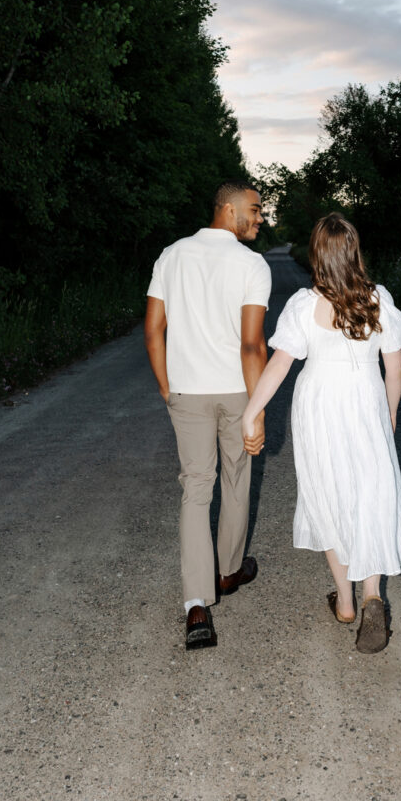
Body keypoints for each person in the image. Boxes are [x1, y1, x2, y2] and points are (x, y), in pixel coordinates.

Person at [241, 212, 401, 654]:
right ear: (355, 253)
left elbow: (279, 364)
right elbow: (394, 369)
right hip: (365, 403)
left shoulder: (303, 305)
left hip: (318, 406)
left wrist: (252, 410)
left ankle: (344, 601)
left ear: (317, 256)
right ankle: (373, 593)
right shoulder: (378, 300)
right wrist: (390, 414)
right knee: (371, 494)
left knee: (328, 493)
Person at [144, 181, 271, 650]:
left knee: (197, 489)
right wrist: (256, 410)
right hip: (237, 390)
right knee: (237, 477)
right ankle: (228, 572)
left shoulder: (172, 255)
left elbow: (154, 330)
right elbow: (251, 344)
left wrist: (165, 385)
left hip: (187, 390)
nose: (260, 218)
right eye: (254, 210)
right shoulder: (250, 265)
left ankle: (197, 605)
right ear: (228, 208)